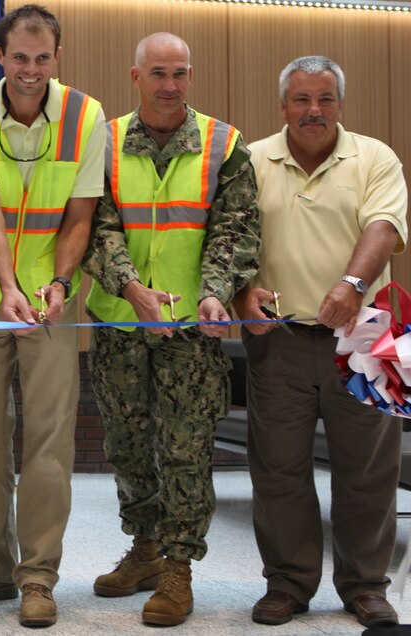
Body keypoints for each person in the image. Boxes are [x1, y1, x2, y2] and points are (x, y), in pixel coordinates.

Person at [0, 4, 105, 628]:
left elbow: (80, 217)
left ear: (56, 58)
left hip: (55, 303)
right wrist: (8, 287)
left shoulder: (88, 118)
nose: (30, 71)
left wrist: (58, 283)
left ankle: (38, 576)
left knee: (50, 441)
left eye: (42, 58)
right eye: (18, 58)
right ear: (0, 56)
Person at [82, 33, 260, 627]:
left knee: (185, 452)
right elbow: (93, 228)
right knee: (127, 447)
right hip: (119, 325)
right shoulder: (101, 141)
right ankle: (144, 549)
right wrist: (132, 288)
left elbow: (235, 230)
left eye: (180, 73)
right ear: (136, 77)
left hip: (192, 331)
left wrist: (213, 294)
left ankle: (179, 569)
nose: (170, 84)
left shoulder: (223, 143)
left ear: (191, 74)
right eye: (158, 73)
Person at [234, 55, 407, 629]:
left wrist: (354, 283)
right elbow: (229, 240)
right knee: (278, 469)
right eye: (302, 99)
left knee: (368, 470)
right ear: (282, 105)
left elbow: (383, 226)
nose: (314, 110)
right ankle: (287, 584)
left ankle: (364, 586)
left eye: (325, 99)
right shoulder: (252, 160)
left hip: (362, 338)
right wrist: (241, 296)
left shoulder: (374, 157)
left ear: (340, 104)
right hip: (279, 341)